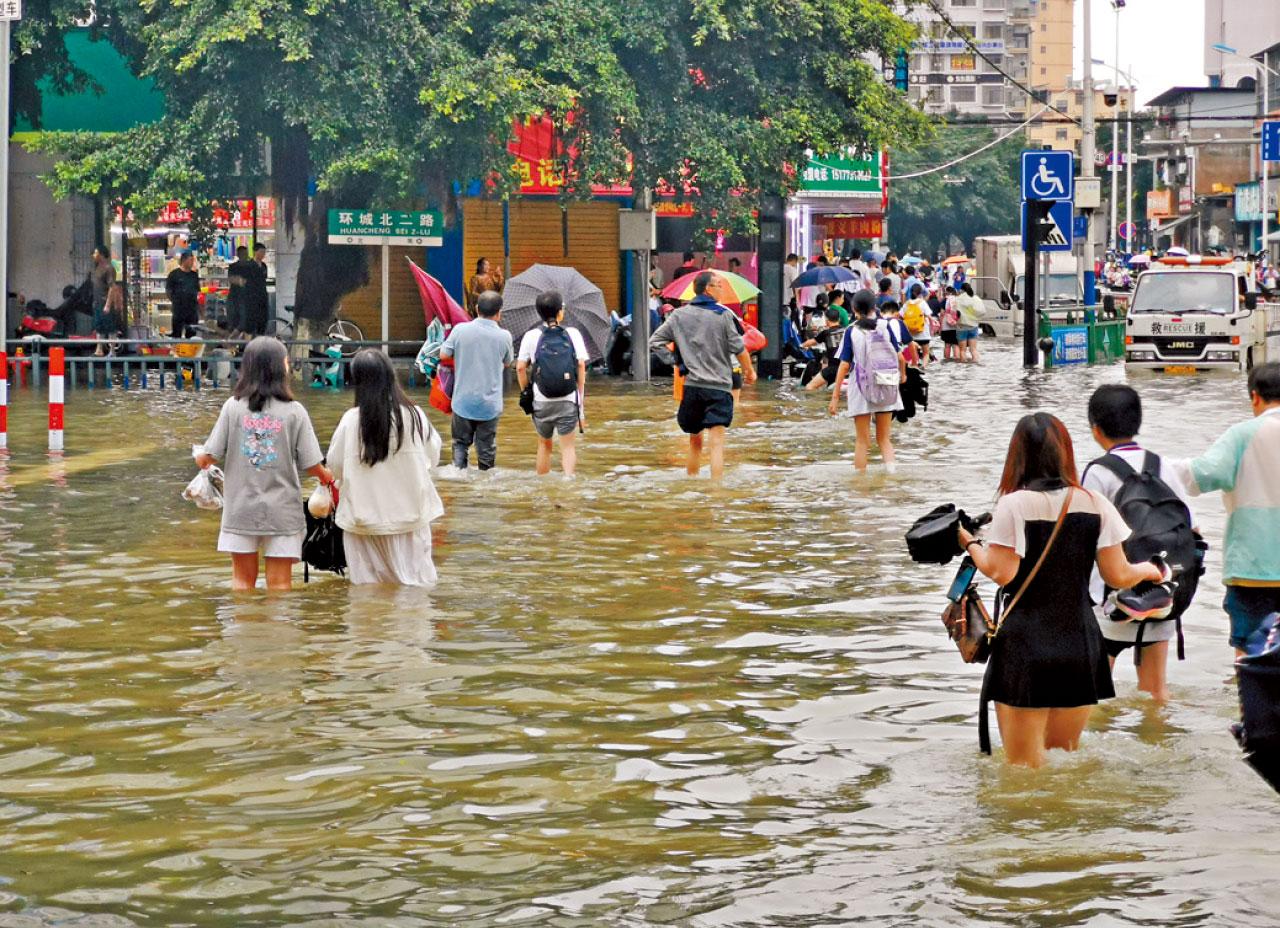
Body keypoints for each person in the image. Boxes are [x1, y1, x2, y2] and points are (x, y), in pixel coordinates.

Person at [958, 413, 1166, 768]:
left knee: (1023, 771)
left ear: (1017, 456)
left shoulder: (1013, 504)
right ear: (1065, 454)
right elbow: (1118, 575)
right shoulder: (1095, 503)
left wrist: (969, 542)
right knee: (1063, 763)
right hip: (1080, 646)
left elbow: (1002, 572)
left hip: (1026, 646)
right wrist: (1152, 570)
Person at [1083, 385, 1195, 702]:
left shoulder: (1098, 472)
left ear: (1095, 428)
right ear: (1138, 422)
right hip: (1161, 596)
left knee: (1093, 696)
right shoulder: (1162, 466)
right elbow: (1191, 527)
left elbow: (1084, 534)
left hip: (1110, 599)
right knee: (1156, 692)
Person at [194, 337, 334, 591]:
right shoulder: (295, 411)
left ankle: (243, 618)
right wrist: (327, 478)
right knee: (280, 584)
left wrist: (198, 457)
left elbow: (208, 457)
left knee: (241, 582)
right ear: (279, 367)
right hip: (282, 510)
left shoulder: (232, 407)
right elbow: (311, 464)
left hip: (241, 508)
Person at [1173, 362, 1280, 658]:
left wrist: (1154, 466)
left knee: (1249, 653)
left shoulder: (1242, 435)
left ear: (1255, 397)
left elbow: (1200, 475)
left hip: (1252, 569)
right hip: (1254, 568)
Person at [328, 349, 444, 586]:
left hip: (363, 522)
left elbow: (335, 466)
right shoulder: (415, 416)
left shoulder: (351, 420)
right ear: (391, 376)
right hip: (411, 520)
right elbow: (433, 457)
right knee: (415, 588)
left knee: (367, 593)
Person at [649, 271, 756, 479]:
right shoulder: (723, 315)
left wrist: (677, 362)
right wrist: (749, 371)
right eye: (718, 285)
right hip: (719, 387)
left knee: (694, 442)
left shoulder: (679, 315)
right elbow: (739, 349)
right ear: (707, 289)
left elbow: (655, 342)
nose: (722, 288)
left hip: (692, 387)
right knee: (717, 444)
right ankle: (716, 491)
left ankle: (692, 485)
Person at [827, 289, 905, 472]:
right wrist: (902, 376)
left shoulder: (851, 331)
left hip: (860, 387)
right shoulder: (885, 326)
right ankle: (892, 475)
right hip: (886, 383)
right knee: (884, 439)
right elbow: (900, 357)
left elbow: (844, 365)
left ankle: (860, 482)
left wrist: (835, 396)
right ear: (874, 307)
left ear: (854, 309)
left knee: (862, 441)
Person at [516, 290, 589, 476]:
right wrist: (580, 405)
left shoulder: (531, 336)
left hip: (541, 399)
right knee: (568, 446)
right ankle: (569, 481)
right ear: (559, 312)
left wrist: (526, 392)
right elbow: (581, 365)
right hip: (568, 399)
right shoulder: (573, 334)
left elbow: (520, 368)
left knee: (544, 444)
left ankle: (542, 484)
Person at [441, 290, 514, 471]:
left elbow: (444, 354)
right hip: (489, 405)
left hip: (462, 402)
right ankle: (485, 482)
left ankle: (458, 478)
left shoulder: (460, 330)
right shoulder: (504, 336)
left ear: (476, 308)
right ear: (499, 313)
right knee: (486, 450)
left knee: (460, 444)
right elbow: (507, 363)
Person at [799, 305, 846, 392]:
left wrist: (802, 345)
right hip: (847, 367)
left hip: (833, 368)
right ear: (839, 319)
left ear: (827, 321)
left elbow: (811, 342)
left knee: (809, 387)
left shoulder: (826, 333)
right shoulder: (846, 330)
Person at [165, 250, 201, 338]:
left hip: (192, 310)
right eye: (190, 260)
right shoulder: (174, 274)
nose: (192, 262)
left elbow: (197, 290)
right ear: (184, 260)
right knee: (176, 334)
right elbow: (169, 291)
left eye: (193, 260)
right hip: (178, 310)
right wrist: (175, 301)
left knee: (192, 335)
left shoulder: (194, 275)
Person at [90, 245, 117, 354]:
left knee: (110, 327)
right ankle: (99, 350)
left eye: (95, 253)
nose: (93, 255)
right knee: (98, 326)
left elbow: (112, 287)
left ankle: (112, 351)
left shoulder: (109, 268)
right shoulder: (97, 268)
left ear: (101, 254)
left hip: (105, 302)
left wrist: (108, 305)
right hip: (97, 302)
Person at [241, 242, 271, 337]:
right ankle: (248, 341)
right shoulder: (248, 265)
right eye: (261, 252)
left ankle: (260, 339)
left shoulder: (264, 266)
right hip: (251, 298)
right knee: (250, 322)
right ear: (255, 252)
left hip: (262, 297)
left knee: (262, 321)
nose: (263, 254)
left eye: (264, 252)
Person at [902, 281, 933, 368]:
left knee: (913, 353)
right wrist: (932, 326)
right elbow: (929, 315)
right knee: (926, 353)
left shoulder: (906, 304)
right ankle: (923, 367)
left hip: (911, 334)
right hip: (923, 333)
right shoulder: (922, 303)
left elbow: (901, 316)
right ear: (920, 292)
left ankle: (914, 366)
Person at [226, 245, 254, 336]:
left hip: (246, 297)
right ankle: (234, 338)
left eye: (245, 254)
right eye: (242, 254)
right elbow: (231, 279)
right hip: (234, 297)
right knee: (234, 320)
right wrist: (240, 281)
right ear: (238, 254)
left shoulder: (251, 266)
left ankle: (241, 339)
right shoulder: (233, 266)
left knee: (244, 321)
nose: (244, 256)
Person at [954, 282, 985, 363]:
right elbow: (981, 311)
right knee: (973, 349)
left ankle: (963, 367)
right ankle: (975, 365)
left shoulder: (958, 299)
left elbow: (954, 312)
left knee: (962, 350)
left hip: (961, 327)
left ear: (961, 290)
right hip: (973, 326)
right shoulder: (976, 298)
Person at [939, 286, 960, 361]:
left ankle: (946, 361)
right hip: (956, 325)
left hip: (946, 325)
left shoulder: (945, 300)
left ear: (947, 292)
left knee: (947, 344)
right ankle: (956, 360)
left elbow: (942, 313)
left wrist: (940, 326)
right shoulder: (958, 299)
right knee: (956, 344)